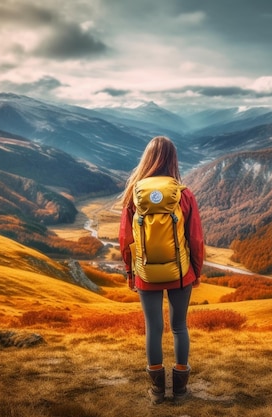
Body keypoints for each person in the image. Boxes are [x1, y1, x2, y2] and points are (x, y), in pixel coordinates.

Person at [119, 136, 205, 404]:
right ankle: (180, 389)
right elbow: (196, 239)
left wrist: (131, 271)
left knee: (153, 328)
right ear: (173, 160)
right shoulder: (184, 194)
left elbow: (126, 239)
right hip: (181, 273)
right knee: (179, 326)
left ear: (147, 158)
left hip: (146, 273)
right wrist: (196, 271)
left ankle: (157, 391)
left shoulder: (134, 193)